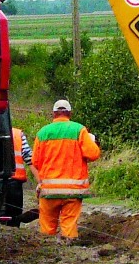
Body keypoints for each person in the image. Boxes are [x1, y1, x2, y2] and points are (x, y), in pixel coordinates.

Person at [32, 99, 101, 243]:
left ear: (54, 114)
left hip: (49, 192)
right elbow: (93, 154)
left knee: (46, 231)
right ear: (70, 113)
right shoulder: (79, 130)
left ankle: (47, 252)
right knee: (69, 227)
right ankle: (69, 252)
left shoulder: (43, 132)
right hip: (73, 191)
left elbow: (35, 162)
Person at [1, 127, 39, 227]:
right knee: (14, 219)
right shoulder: (17, 134)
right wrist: (41, 182)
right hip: (14, 182)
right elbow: (29, 159)